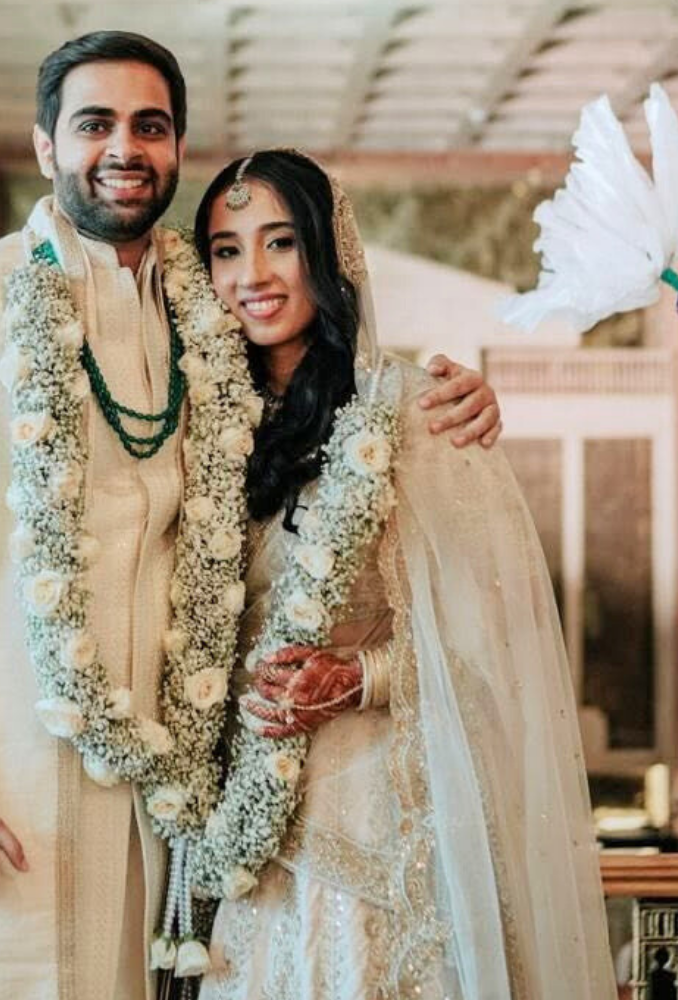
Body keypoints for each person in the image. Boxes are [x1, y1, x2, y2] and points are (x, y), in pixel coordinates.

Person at [0, 34, 502, 1000]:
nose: (124, 147)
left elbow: (326, 393)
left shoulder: (204, 314)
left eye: (149, 127)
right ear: (45, 148)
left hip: (157, 808)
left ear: (176, 150)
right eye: (94, 124)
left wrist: (464, 399)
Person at [184, 149, 615, 999]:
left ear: (328, 255)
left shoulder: (415, 411)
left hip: (380, 819)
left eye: (280, 243)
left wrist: (361, 677)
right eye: (227, 250)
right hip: (239, 833)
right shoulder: (199, 424)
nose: (253, 275)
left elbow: (502, 641)